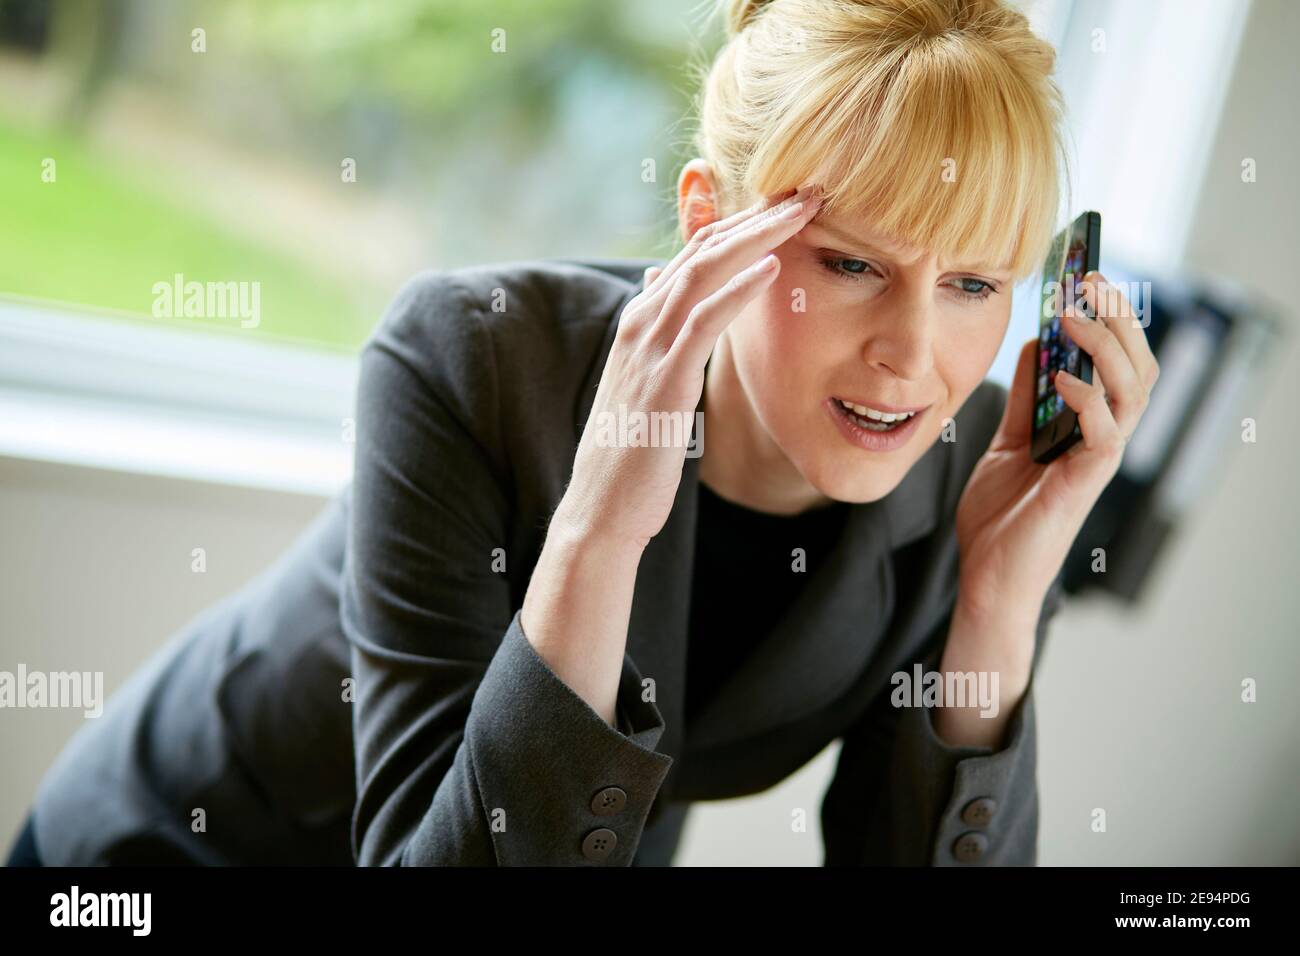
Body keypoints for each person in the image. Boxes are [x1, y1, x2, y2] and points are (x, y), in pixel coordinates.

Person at [8, 0, 1158, 867]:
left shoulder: (970, 480)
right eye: (848, 262)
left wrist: (999, 602)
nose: (912, 354)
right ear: (709, 221)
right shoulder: (472, 356)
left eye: (970, 282)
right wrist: (601, 524)